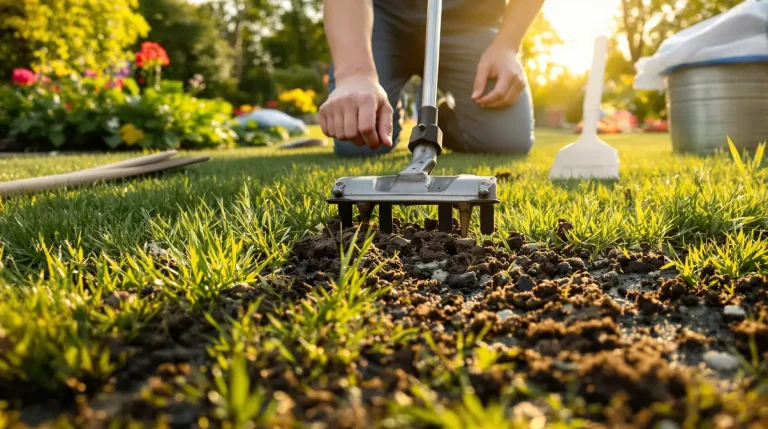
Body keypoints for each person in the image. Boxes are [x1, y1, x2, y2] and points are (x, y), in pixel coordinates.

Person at [319, 0, 544, 157]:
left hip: (471, 20)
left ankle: (445, 119)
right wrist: (354, 74)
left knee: (506, 141)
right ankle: (389, 105)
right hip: (380, 17)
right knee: (360, 143)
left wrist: (508, 45)